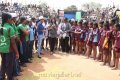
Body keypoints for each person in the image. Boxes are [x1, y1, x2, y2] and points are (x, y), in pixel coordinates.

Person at [0, 12, 19, 80]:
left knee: (3, 62)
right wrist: (17, 52)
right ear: (8, 19)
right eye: (11, 19)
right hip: (9, 49)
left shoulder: (0, 26)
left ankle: (1, 76)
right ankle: (9, 78)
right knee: (9, 65)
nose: (12, 21)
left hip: (1, 49)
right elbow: (13, 43)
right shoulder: (10, 28)